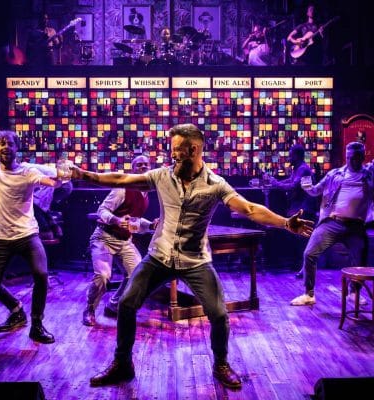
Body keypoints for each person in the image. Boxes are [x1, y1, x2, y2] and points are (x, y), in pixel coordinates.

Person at [70, 123, 313, 389]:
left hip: (195, 261)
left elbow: (249, 209)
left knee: (218, 313)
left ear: (194, 149)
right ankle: (122, 364)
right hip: (159, 257)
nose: (172, 154)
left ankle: (221, 364)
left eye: (177, 150)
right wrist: (85, 175)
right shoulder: (161, 176)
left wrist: (285, 223)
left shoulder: (215, 185)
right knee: (127, 303)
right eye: (172, 149)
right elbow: (121, 179)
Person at [0, 130, 68, 343]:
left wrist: (61, 177)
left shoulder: (27, 171)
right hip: (1, 239)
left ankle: (37, 325)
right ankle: (16, 311)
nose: (6, 147)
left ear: (17, 148)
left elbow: (51, 182)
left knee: (41, 275)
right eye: (1, 143)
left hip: (27, 235)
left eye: (10, 143)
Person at [290, 142, 374, 306]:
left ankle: (354, 293)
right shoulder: (335, 174)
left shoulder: (369, 175)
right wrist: (307, 187)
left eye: (356, 158)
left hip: (356, 226)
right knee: (309, 253)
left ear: (362, 157)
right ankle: (308, 294)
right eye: (349, 158)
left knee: (360, 259)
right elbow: (316, 190)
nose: (352, 161)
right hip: (332, 222)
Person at [82, 155, 158, 326]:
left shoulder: (145, 194)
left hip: (124, 241)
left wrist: (151, 225)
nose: (143, 167)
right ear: (133, 169)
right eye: (139, 164)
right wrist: (116, 220)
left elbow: (135, 220)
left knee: (138, 274)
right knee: (103, 276)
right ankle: (90, 309)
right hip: (104, 237)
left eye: (146, 164)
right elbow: (102, 210)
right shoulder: (122, 189)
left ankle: (114, 306)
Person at [267, 144, 318, 275]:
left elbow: (293, 186)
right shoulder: (298, 168)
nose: (289, 158)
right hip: (298, 207)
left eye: (290, 155)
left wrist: (275, 183)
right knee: (297, 237)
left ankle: (304, 267)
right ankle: (300, 266)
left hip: (304, 208)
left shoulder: (303, 169)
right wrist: (275, 181)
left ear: (297, 156)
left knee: (301, 239)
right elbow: (290, 180)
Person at [22, 161, 73, 240]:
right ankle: (55, 228)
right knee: (41, 206)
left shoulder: (22, 169)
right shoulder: (24, 167)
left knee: (36, 205)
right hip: (64, 182)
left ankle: (46, 232)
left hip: (62, 183)